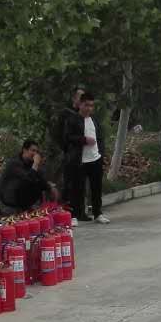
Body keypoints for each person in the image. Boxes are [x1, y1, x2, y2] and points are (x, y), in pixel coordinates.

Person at [63, 92, 109, 225]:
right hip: (79, 160)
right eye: (86, 105)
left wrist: (101, 153)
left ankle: (98, 213)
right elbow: (67, 137)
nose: (89, 108)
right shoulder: (72, 120)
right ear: (80, 105)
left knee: (96, 188)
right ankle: (74, 216)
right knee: (77, 189)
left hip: (95, 159)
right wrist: (84, 140)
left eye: (91, 105)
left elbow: (100, 138)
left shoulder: (94, 120)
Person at [0, 141, 56, 215]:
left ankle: (37, 207)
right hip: (9, 199)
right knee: (30, 181)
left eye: (36, 151)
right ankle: (19, 209)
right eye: (33, 150)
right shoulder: (14, 163)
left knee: (40, 183)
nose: (35, 154)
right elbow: (28, 179)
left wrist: (50, 188)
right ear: (24, 150)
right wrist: (35, 164)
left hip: (21, 196)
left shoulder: (30, 163)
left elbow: (40, 178)